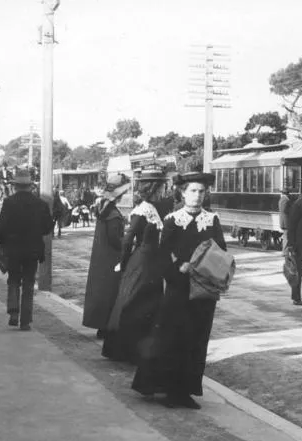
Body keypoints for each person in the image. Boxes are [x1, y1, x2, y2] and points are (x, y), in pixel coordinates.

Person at [131, 170, 227, 409]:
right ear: (183, 193)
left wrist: (208, 267)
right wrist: (178, 268)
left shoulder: (212, 221)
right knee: (174, 338)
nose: (198, 196)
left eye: (201, 191)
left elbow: (221, 253)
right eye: (193, 191)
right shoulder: (173, 220)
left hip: (203, 290)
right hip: (179, 289)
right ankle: (168, 391)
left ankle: (186, 391)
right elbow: (162, 255)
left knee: (197, 339)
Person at [103, 166, 168, 363]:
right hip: (141, 264)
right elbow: (128, 240)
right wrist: (123, 264)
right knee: (136, 304)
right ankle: (127, 350)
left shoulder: (153, 209)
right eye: (161, 189)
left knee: (148, 305)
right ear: (153, 189)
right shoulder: (142, 211)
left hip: (152, 264)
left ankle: (141, 349)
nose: (164, 192)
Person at [0, 172, 52, 331]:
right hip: (32, 250)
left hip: (13, 249)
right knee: (28, 284)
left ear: (15, 187)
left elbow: (0, 228)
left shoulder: (8, 202)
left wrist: (4, 241)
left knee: (13, 280)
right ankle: (25, 321)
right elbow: (48, 228)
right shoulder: (41, 204)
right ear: (30, 187)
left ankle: (14, 313)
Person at [82, 175, 130, 340]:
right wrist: (129, 242)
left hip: (101, 257)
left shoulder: (104, 209)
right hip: (112, 258)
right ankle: (106, 327)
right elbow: (116, 241)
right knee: (111, 292)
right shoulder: (114, 215)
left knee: (101, 291)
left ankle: (101, 325)